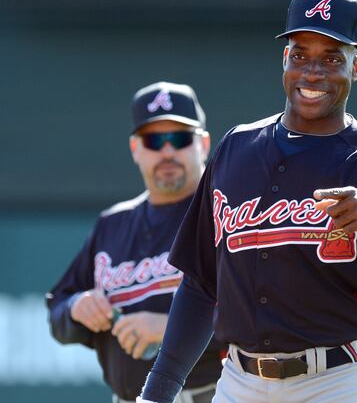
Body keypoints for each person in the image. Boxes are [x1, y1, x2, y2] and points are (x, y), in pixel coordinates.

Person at [137, 0, 357, 403]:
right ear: (283, 59)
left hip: (337, 382)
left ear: (355, 67)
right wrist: (156, 393)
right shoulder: (236, 149)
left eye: (331, 58)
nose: (312, 72)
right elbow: (200, 283)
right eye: (300, 54)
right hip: (239, 381)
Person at [46, 82, 224, 403]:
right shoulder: (112, 225)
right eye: (154, 140)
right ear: (135, 149)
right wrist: (76, 307)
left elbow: (261, 317)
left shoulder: (225, 213)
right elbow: (58, 311)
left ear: (204, 144)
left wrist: (174, 329)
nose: (167, 151)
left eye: (180, 139)